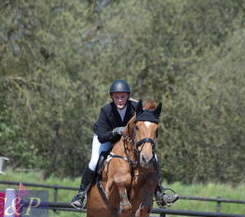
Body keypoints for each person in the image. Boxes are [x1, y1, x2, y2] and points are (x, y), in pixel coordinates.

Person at [70, 79, 178, 210]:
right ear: (112, 97)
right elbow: (102, 135)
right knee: (94, 161)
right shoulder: (105, 110)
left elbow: (147, 119)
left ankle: (161, 192)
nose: (120, 100)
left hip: (128, 141)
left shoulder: (135, 107)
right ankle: (81, 194)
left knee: (154, 158)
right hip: (106, 138)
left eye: (122, 96)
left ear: (127, 96)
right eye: (116, 97)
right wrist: (116, 131)